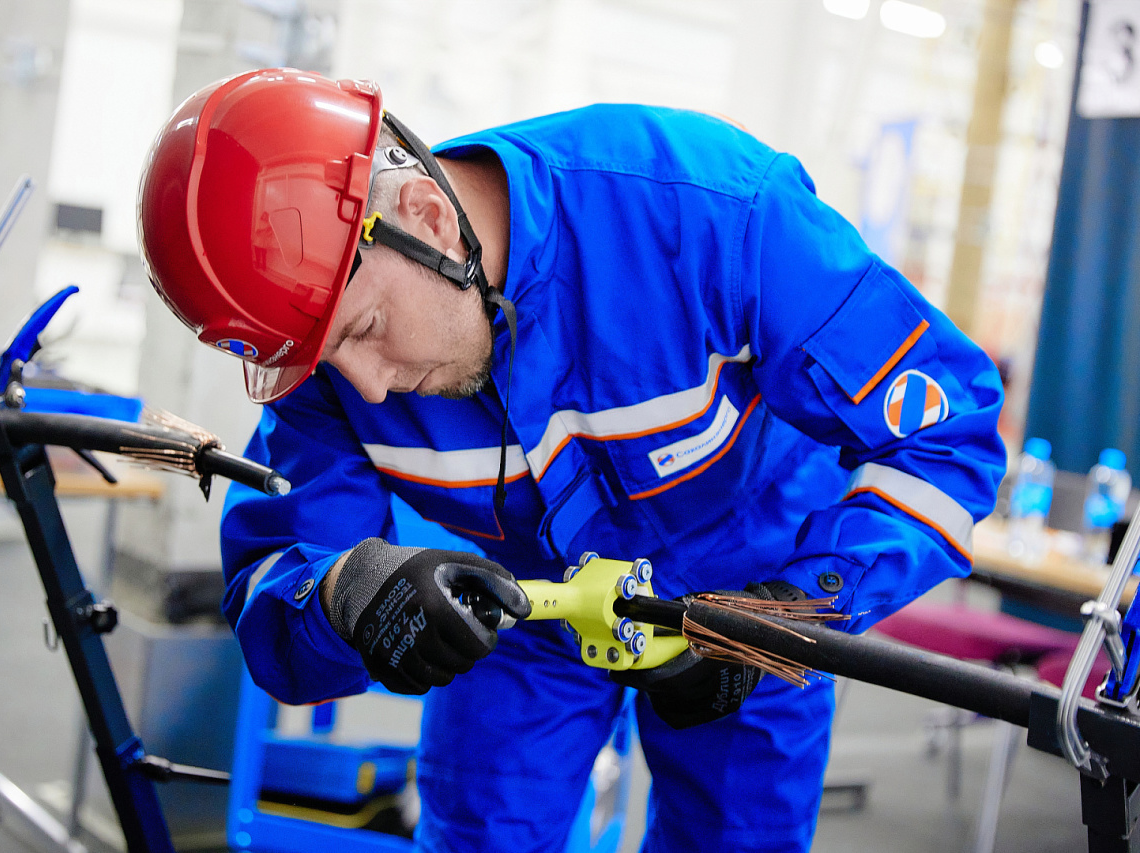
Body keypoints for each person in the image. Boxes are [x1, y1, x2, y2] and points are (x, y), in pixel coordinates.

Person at [138, 68, 1005, 853]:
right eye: (323, 360)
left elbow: (948, 438)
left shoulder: (712, 213)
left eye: (363, 331)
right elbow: (274, 583)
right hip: (521, 608)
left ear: (428, 219)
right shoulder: (322, 354)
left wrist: (790, 616)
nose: (364, 384)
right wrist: (348, 592)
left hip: (756, 593)